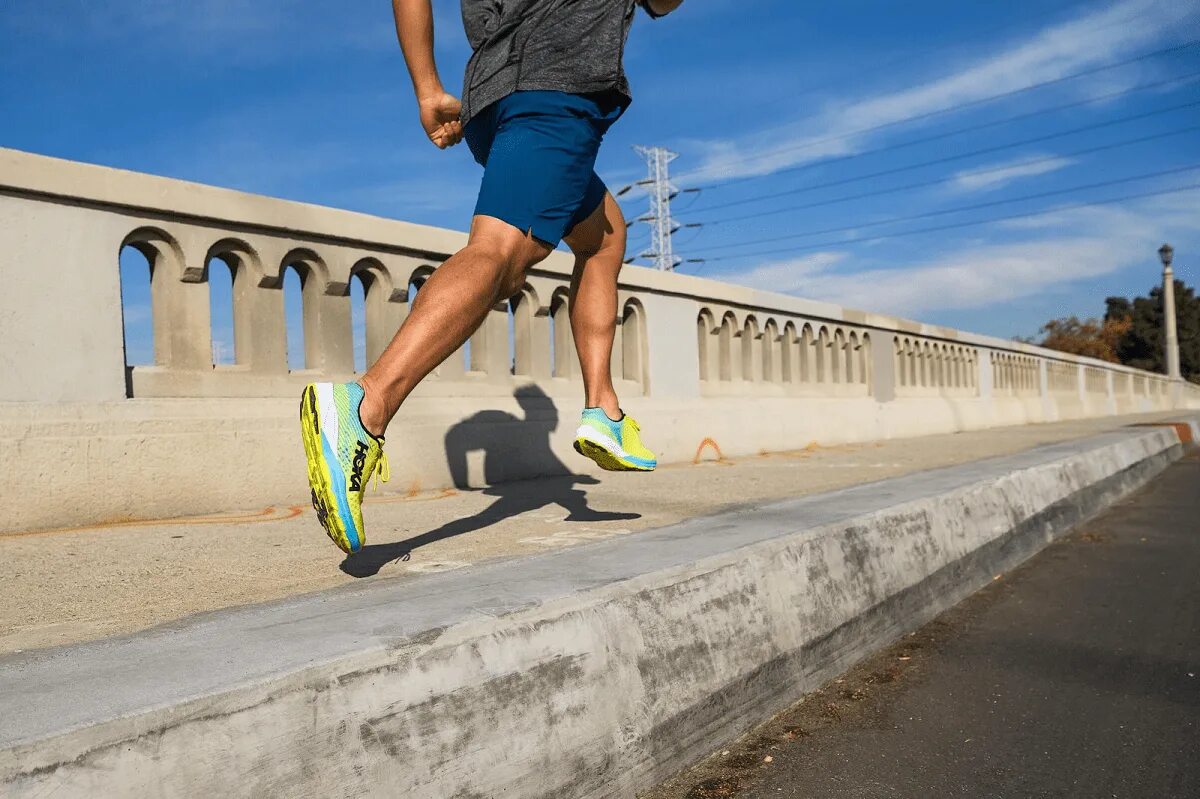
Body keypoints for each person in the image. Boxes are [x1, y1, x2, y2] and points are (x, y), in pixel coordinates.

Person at [300, 0, 685, 555]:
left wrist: (428, 89)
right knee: (500, 252)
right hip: (558, 88)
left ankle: (604, 411)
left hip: (490, 97)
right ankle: (365, 405)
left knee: (603, 236)